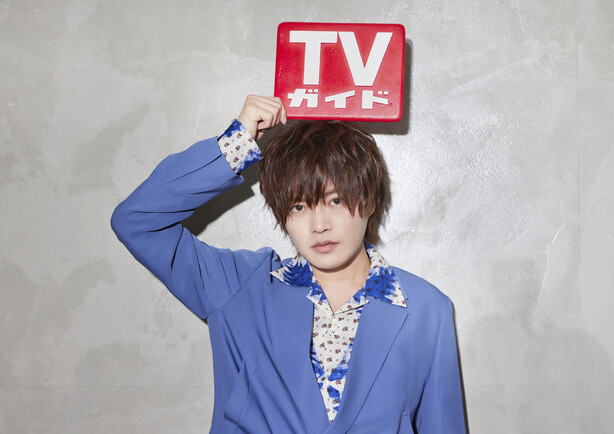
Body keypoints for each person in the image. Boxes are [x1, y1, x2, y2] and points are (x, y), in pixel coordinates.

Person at [111, 95, 466, 433]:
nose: (319, 225)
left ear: (370, 200)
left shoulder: (426, 310)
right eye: (299, 207)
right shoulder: (241, 287)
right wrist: (235, 144)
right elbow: (136, 221)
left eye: (336, 200)